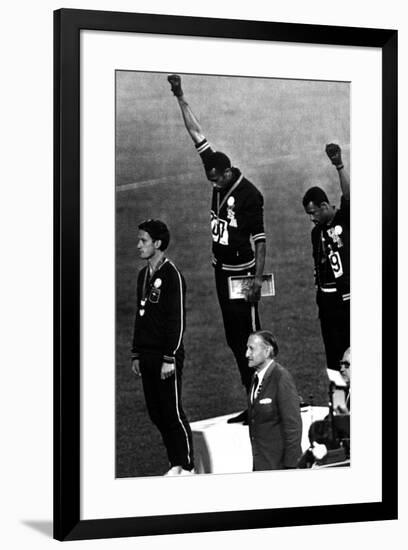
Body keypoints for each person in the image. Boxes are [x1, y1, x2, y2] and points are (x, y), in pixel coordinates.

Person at [168, 74, 266, 422]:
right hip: (220, 271)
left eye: (215, 177)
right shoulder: (215, 170)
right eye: (209, 176)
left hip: (242, 275)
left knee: (252, 336)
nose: (211, 181)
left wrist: (256, 280)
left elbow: (261, 241)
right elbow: (196, 132)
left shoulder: (250, 195)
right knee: (233, 337)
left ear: (228, 172)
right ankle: (252, 401)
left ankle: (267, 399)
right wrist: (181, 96)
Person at [131, 219, 194, 475]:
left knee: (171, 411)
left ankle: (187, 465)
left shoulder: (172, 276)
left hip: (166, 355)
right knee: (156, 412)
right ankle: (175, 462)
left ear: (157, 243)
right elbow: (139, 315)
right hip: (146, 354)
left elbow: (177, 320)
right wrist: (136, 353)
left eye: (143, 241)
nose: (138, 245)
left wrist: (170, 357)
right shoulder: (142, 275)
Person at [302, 143, 350, 372]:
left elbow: (349, 196)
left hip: (347, 300)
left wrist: (339, 166)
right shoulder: (316, 232)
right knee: (332, 355)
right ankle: (340, 407)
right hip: (326, 302)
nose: (311, 218)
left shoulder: (344, 219)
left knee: (352, 352)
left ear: (323, 206)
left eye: (313, 213)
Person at [246, 330, 302, 470]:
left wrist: (291, 466)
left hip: (280, 467)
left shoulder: (281, 378)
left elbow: (293, 426)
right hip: (262, 466)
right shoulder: (255, 378)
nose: (246, 354)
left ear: (267, 351)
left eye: (251, 349)